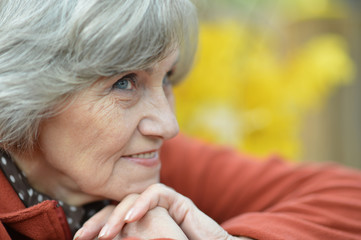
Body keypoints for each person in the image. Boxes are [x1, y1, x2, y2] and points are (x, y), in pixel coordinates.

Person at [0, 0, 360, 240]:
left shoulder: (141, 158)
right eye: (124, 83)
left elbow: (348, 195)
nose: (168, 125)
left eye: (167, 78)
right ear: (26, 91)